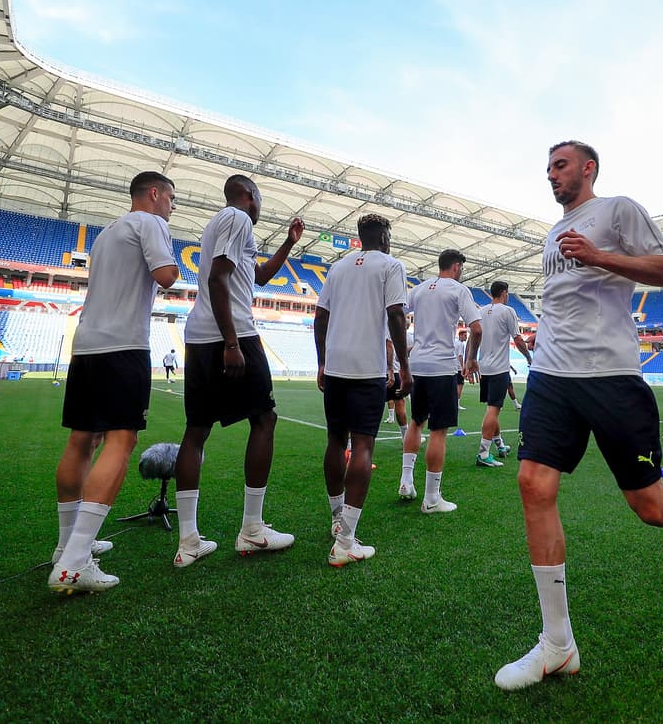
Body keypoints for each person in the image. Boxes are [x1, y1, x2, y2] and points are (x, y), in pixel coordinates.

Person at [495, 141, 663, 691]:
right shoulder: (551, 233)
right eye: (547, 168)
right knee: (532, 485)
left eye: (560, 165)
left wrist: (597, 256)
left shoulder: (618, 210)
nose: (551, 175)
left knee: (652, 507)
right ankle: (557, 645)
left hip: (611, 376)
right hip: (550, 375)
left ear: (588, 168)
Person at [48, 171, 179, 594]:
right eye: (171, 199)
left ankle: (67, 544)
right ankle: (74, 562)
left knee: (80, 441)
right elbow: (167, 275)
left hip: (86, 345)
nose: (172, 207)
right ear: (154, 194)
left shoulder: (106, 233)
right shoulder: (151, 223)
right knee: (120, 442)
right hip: (123, 346)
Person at [172, 175, 305, 568]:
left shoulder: (220, 223)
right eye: (260, 198)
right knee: (265, 420)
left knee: (196, 431)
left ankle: (188, 541)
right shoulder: (237, 218)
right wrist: (231, 343)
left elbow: (259, 277)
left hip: (199, 337)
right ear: (251, 196)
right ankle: (252, 530)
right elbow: (217, 278)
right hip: (232, 334)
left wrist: (289, 243)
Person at [314, 214, 411, 566]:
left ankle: (337, 519)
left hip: (337, 365)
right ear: (384, 237)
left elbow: (320, 316)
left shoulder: (337, 268)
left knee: (336, 441)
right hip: (367, 367)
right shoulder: (391, 265)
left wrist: (322, 361)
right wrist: (404, 366)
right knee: (363, 444)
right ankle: (347, 541)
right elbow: (396, 315)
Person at [399, 250, 482, 510]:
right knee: (438, 431)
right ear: (456, 267)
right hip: (442, 366)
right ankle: (432, 498)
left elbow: (398, 315)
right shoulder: (458, 290)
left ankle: (405, 481)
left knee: (416, 421)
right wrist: (471, 358)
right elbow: (476, 328)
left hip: (418, 363)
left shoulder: (420, 289)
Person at [477, 281, 533, 466]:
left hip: (484, 367)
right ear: (504, 293)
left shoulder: (482, 311)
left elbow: (474, 335)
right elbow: (517, 339)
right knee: (493, 410)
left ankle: (500, 445)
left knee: (491, 409)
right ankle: (483, 454)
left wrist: (471, 359)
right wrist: (528, 357)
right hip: (499, 368)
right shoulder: (508, 311)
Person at [454, 328, 469, 410]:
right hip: (459, 368)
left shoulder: (455, 343)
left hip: (454, 367)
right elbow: (460, 356)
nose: (466, 337)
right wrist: (463, 367)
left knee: (455, 386)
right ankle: (457, 404)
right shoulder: (460, 344)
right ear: (460, 335)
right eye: (465, 336)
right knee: (460, 386)